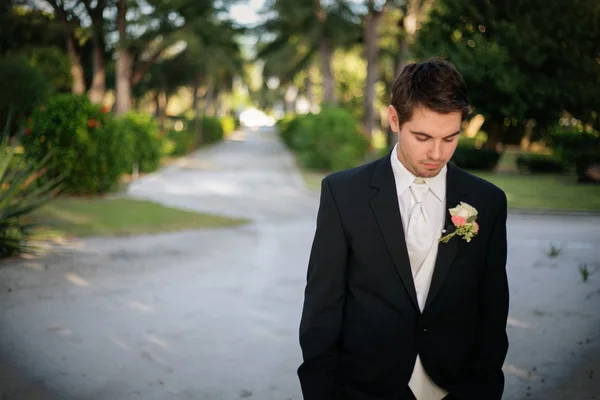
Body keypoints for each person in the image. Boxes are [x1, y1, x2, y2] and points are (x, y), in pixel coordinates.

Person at [297, 57, 509, 400]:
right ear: (394, 119)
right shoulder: (343, 194)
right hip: (364, 387)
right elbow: (322, 307)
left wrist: (484, 387)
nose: (437, 153)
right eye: (422, 137)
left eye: (450, 138)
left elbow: (492, 309)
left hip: (455, 386)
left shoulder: (488, 201)